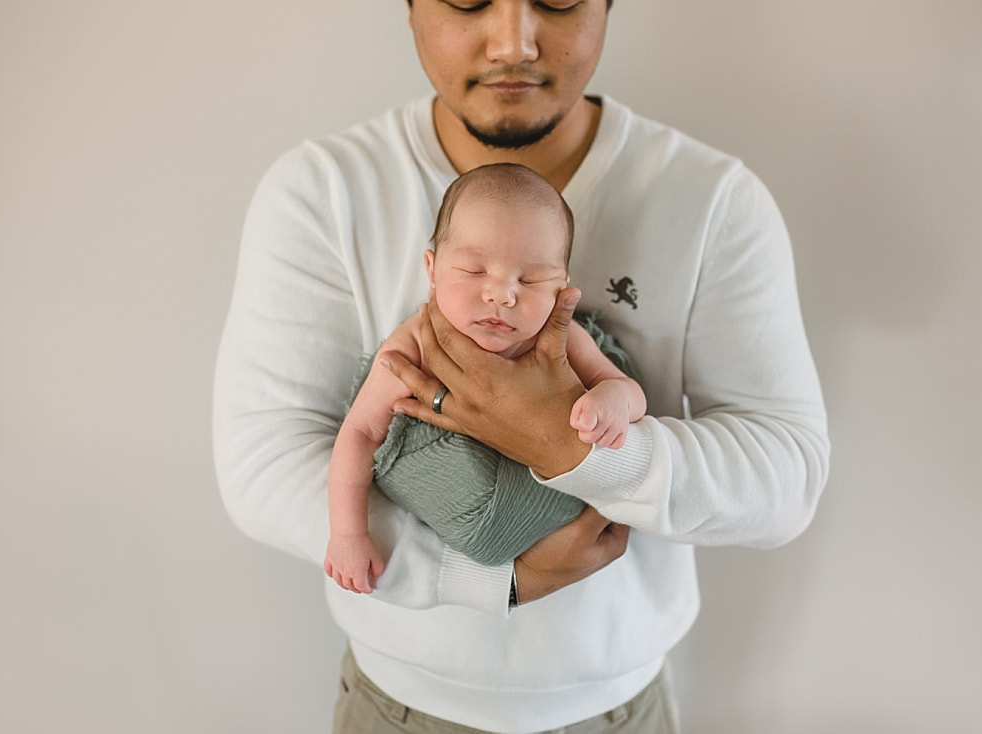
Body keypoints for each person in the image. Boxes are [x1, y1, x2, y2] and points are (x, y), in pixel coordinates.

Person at [212, 1, 830, 731]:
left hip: (618, 710)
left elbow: (786, 476)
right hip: (396, 707)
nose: (513, 41)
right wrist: (490, 579)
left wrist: (572, 447)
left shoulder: (712, 200)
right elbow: (262, 463)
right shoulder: (322, 191)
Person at [324, 162, 646, 594]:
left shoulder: (563, 338)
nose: (501, 294)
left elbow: (630, 392)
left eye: (530, 279)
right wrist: (348, 534)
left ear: (562, 287)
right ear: (432, 268)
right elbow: (360, 432)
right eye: (475, 272)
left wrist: (611, 400)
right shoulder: (414, 345)